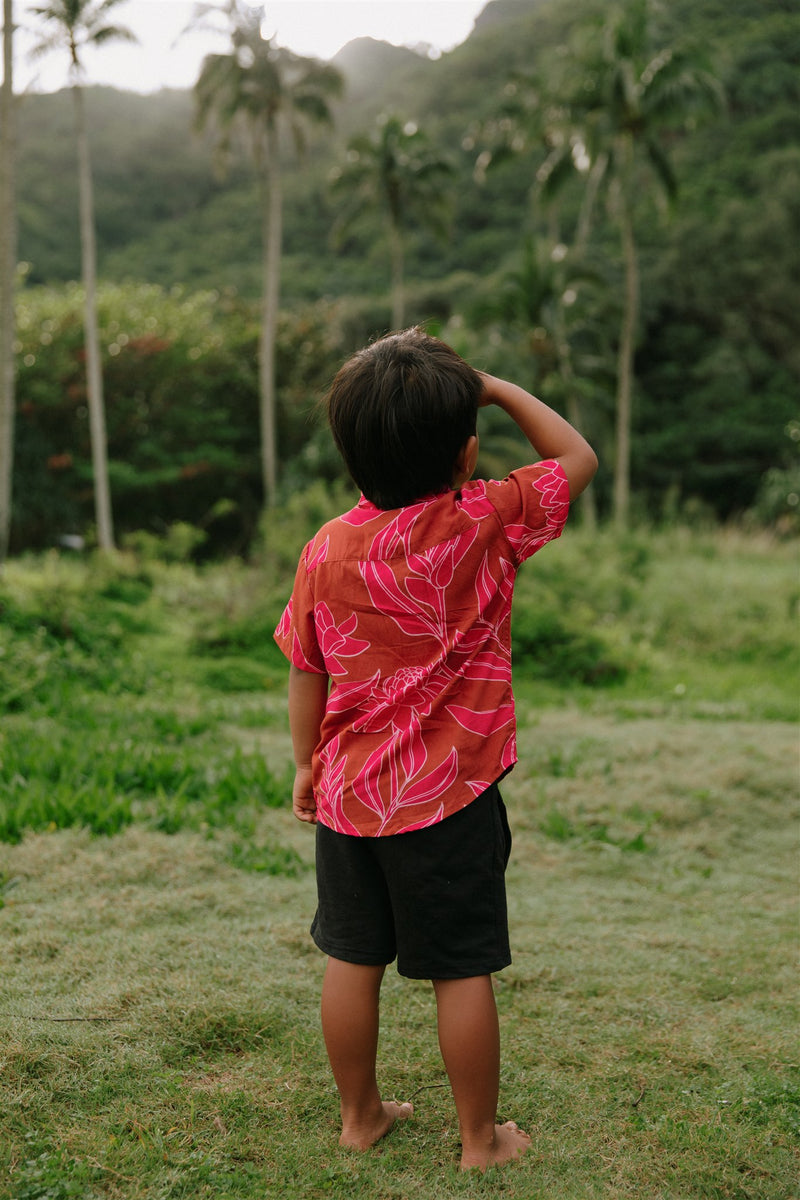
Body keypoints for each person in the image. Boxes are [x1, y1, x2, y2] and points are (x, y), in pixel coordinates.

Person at [274, 327, 597, 1171]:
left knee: (351, 956)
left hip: (350, 797)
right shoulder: (482, 521)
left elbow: (306, 669)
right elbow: (577, 456)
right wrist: (491, 386)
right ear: (464, 452)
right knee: (462, 970)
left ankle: (358, 1116)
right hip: (449, 796)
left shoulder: (324, 548)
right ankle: (479, 1140)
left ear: (351, 453)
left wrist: (308, 762)